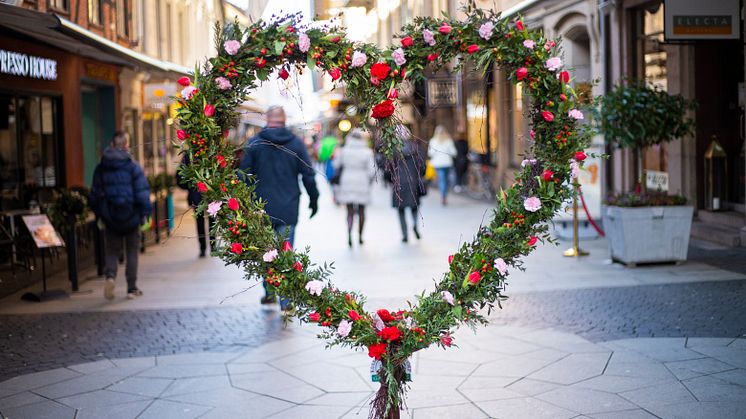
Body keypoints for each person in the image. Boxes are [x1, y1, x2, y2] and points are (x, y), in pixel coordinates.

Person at [240, 106, 319, 307]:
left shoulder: (255, 143)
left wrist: (245, 204)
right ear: (284, 120)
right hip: (288, 207)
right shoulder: (295, 144)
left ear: (268, 120)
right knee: (286, 252)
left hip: (261, 208)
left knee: (266, 252)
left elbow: (243, 175)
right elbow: (308, 174)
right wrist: (314, 199)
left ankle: (268, 291)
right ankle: (285, 300)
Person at [89, 131, 152, 300]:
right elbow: (141, 192)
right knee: (132, 251)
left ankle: (110, 276)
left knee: (111, 250)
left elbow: (94, 195)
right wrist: (146, 212)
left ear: (111, 145)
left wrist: (100, 213)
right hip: (132, 216)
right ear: (126, 145)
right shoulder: (133, 166)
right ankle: (131, 288)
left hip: (110, 217)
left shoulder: (101, 168)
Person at [333, 128, 375, 247]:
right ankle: (360, 236)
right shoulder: (367, 152)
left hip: (347, 181)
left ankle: (349, 235)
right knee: (361, 211)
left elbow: (336, 164)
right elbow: (372, 171)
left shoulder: (344, 151)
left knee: (349, 211)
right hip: (362, 182)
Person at [390, 127, 425, 243]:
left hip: (398, 182)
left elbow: (388, 168)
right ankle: (415, 224)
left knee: (401, 210)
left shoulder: (394, 150)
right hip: (413, 181)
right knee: (414, 207)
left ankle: (404, 234)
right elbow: (422, 166)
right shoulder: (415, 148)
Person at [176, 154, 214, 258]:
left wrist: (190, 187)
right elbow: (179, 176)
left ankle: (205, 248)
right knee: (208, 220)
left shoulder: (190, 154)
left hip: (203, 195)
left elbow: (179, 176)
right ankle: (210, 247)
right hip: (205, 195)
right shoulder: (192, 154)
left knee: (204, 221)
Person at [428, 125, 457, 205]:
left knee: (442, 180)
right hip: (447, 163)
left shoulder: (433, 141)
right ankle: (444, 196)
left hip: (438, 164)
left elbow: (430, 153)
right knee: (445, 180)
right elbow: (454, 152)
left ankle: (443, 196)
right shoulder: (448, 140)